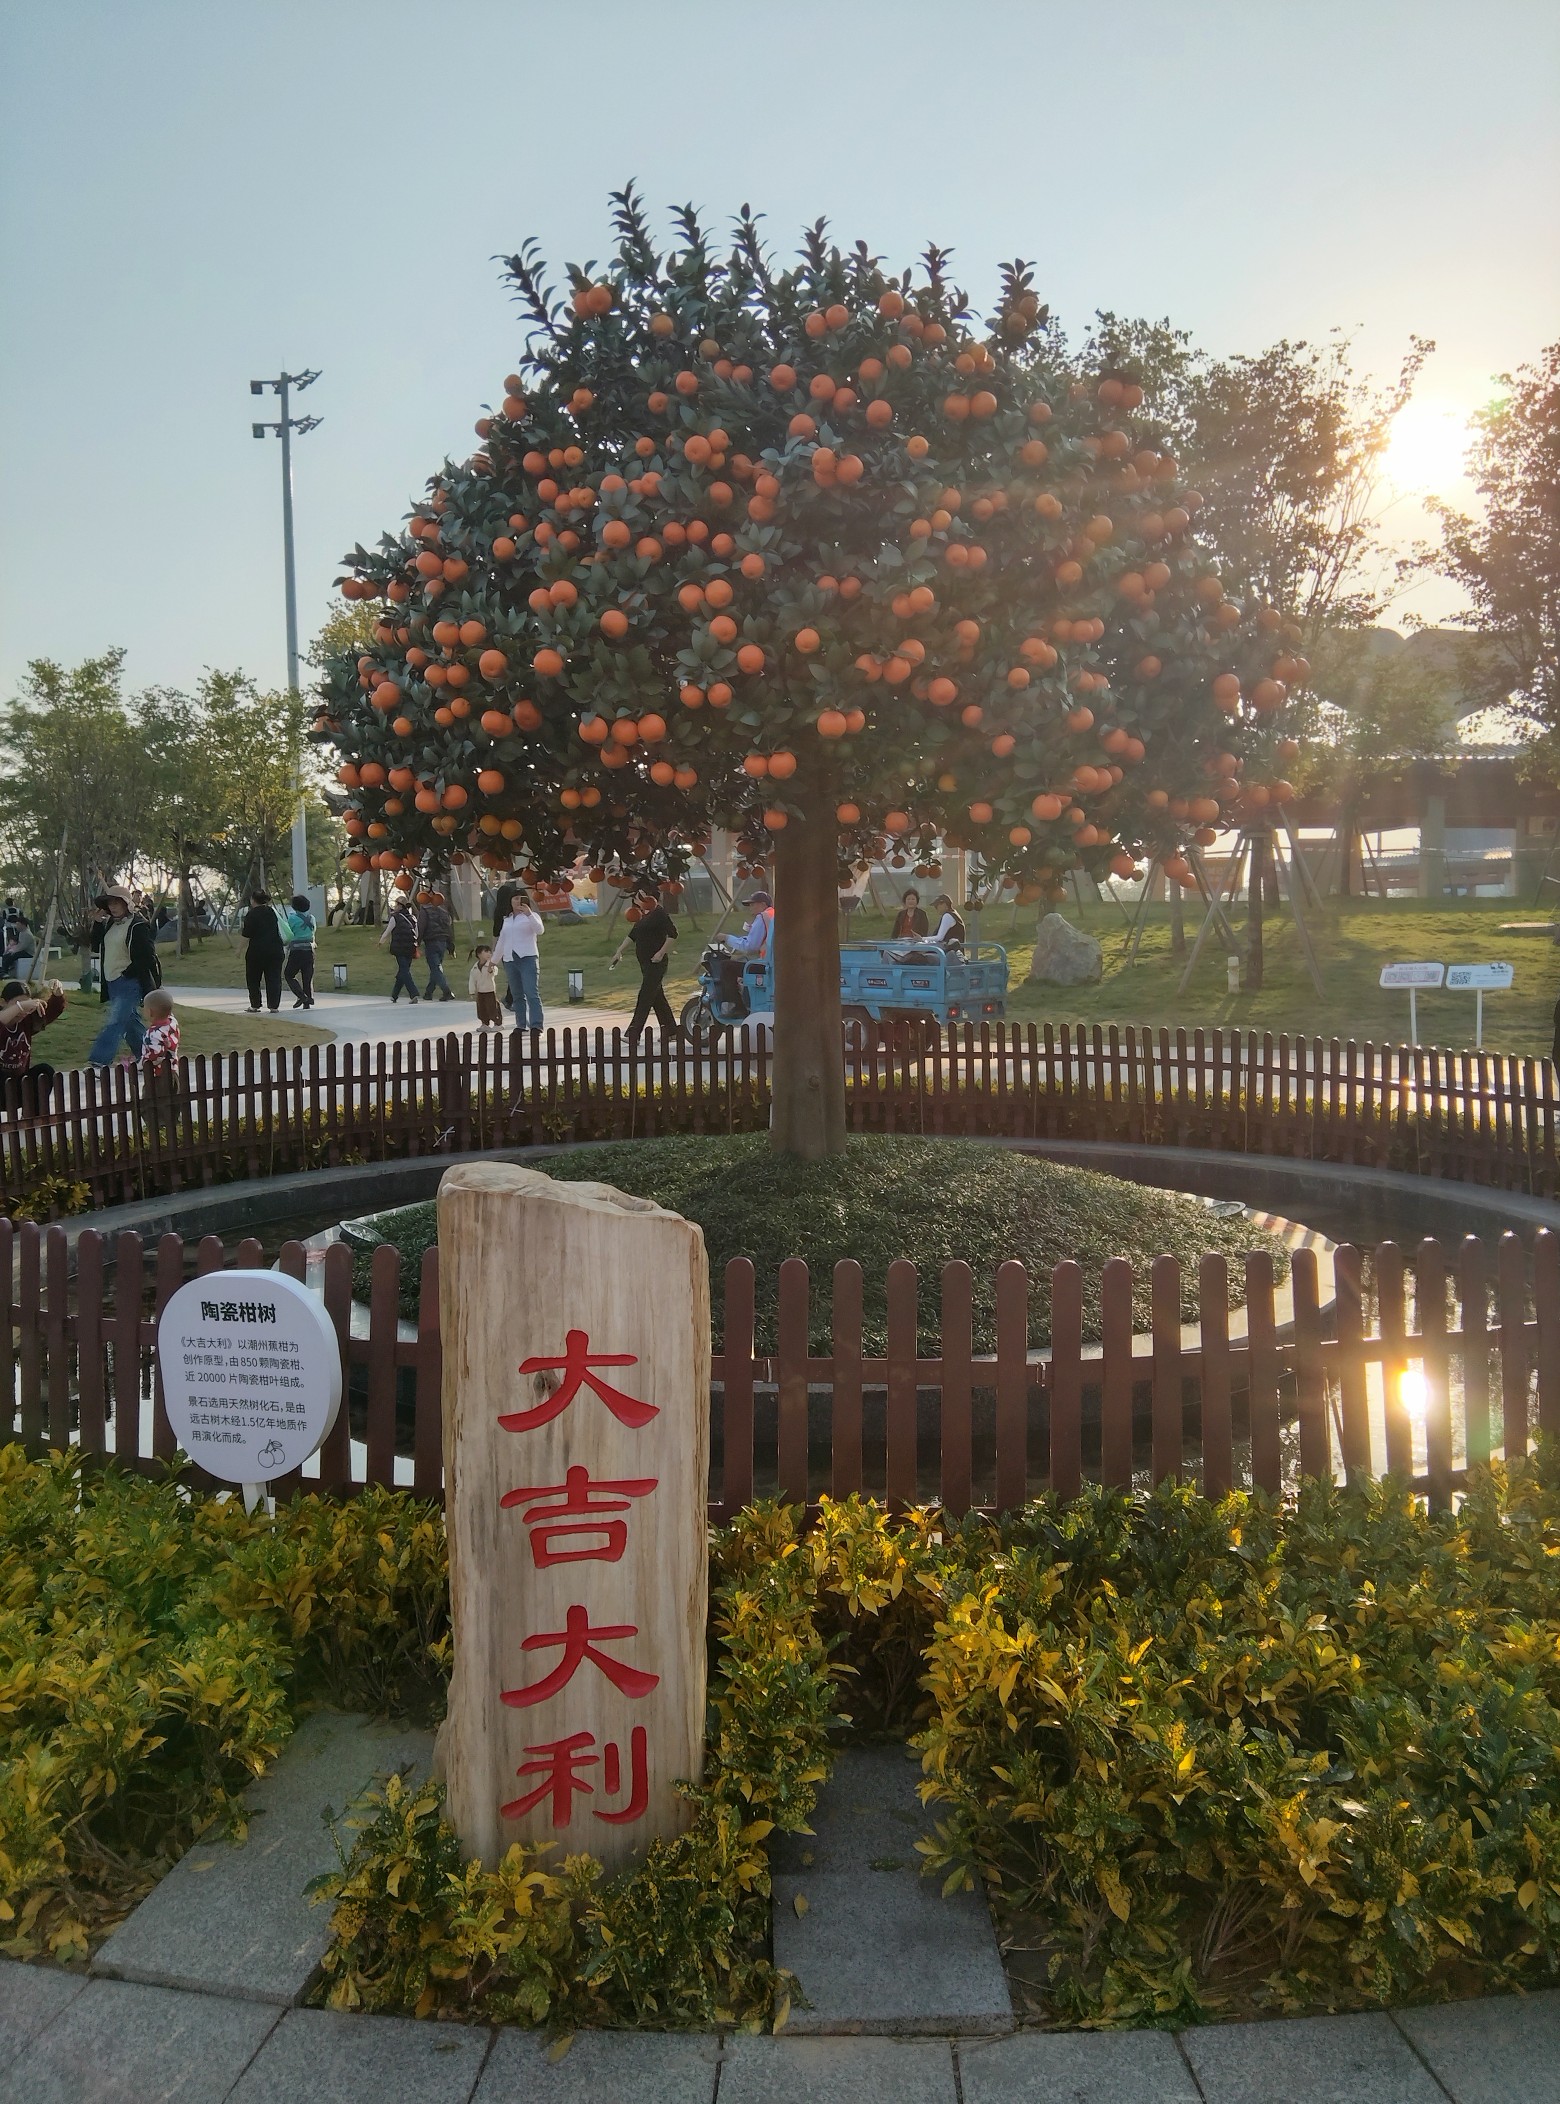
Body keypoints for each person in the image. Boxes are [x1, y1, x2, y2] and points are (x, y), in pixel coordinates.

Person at [89, 887, 161, 1066]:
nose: (113, 907)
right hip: (112, 981)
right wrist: (97, 923)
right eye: (110, 903)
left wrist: (126, 973)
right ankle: (148, 1058)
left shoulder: (138, 925)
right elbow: (95, 945)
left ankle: (99, 1062)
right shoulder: (111, 924)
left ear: (127, 904)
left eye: (117, 903)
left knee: (115, 1021)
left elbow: (147, 957)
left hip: (129, 982)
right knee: (130, 1023)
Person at [610, 884, 680, 1046]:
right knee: (657, 999)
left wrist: (661, 953)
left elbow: (673, 934)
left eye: (640, 896)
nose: (637, 899)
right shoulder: (643, 915)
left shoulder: (660, 914)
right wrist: (619, 951)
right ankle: (672, 1031)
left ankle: (633, 1034)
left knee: (645, 997)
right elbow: (632, 935)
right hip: (645, 964)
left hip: (656, 963)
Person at [0, 977, 65, 1100]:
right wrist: (20, 1007)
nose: (23, 1011)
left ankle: (33, 1112)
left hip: (18, 1085)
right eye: (18, 1004)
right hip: (1, 1086)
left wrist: (57, 995)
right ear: (3, 1002)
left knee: (45, 1071)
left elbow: (50, 1012)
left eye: (26, 1005)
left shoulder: (26, 1022)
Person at [493, 889, 545, 1029]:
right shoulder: (507, 919)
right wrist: (493, 961)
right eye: (515, 898)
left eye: (521, 898)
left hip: (527, 958)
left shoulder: (532, 916)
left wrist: (529, 914)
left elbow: (539, 930)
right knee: (517, 995)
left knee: (531, 993)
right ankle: (521, 1025)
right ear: (510, 901)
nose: (518, 901)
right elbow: (502, 941)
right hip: (510, 960)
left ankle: (536, 1025)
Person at [240, 889, 289, 1013]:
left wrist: (239, 949)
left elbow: (246, 934)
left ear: (253, 900)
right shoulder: (272, 912)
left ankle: (255, 1005)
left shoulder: (251, 914)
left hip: (257, 951)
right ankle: (274, 1006)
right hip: (275, 949)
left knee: (253, 978)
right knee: (274, 978)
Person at [379, 895, 421, 1003]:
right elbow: (416, 934)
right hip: (410, 948)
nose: (395, 906)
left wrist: (381, 941)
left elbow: (388, 931)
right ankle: (394, 995)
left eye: (396, 904)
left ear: (400, 905)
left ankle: (414, 994)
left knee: (404, 971)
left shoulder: (395, 917)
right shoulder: (413, 918)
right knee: (403, 971)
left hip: (399, 948)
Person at [418, 890, 455, 1001]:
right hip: (443, 942)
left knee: (435, 969)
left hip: (431, 941)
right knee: (436, 968)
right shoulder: (443, 912)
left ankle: (447, 991)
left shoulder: (424, 910)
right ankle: (428, 992)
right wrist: (450, 946)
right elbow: (448, 929)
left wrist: (417, 942)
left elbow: (421, 927)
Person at [282, 894, 317, 1009]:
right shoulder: (312, 918)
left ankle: (301, 996)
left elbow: (288, 933)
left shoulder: (292, 918)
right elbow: (313, 932)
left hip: (296, 951)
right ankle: (307, 1002)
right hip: (309, 950)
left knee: (289, 974)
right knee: (307, 978)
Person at [139, 988, 180, 1079]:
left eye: (144, 1007)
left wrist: (140, 1064)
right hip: (172, 1071)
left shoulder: (153, 1033)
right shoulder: (172, 1022)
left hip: (158, 1075)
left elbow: (155, 1054)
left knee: (150, 1089)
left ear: (150, 1012)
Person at [731, 890, 774, 959]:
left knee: (726, 963)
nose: (750, 908)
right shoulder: (773, 914)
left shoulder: (762, 917)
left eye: (752, 905)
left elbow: (750, 947)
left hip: (767, 961)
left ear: (763, 904)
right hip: (777, 959)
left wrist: (727, 938)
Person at [468, 943, 503, 1028]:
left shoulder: (490, 965)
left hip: (490, 991)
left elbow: (494, 972)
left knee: (493, 1008)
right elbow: (472, 980)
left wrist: (490, 970)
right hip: (480, 992)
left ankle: (498, 1023)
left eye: (490, 952)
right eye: (486, 952)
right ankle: (485, 1023)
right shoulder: (475, 967)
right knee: (481, 1008)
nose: (489, 954)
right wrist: (472, 991)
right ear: (479, 954)